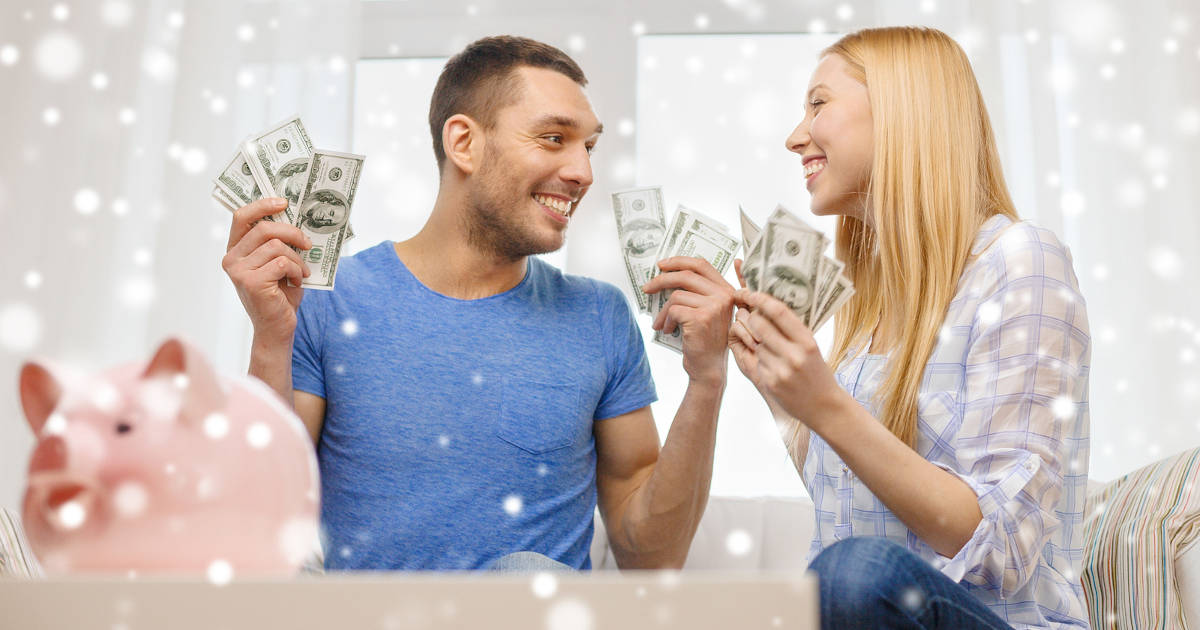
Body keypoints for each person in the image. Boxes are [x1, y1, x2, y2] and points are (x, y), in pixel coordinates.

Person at [221, 36, 735, 571]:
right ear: (464, 143)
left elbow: (652, 555)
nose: (583, 172)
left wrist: (708, 381)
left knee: (525, 575)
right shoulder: (330, 300)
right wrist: (271, 338)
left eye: (589, 147)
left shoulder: (599, 318)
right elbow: (262, 521)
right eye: (553, 137)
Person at [727, 27, 1091, 629]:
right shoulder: (874, 307)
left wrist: (825, 406)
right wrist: (780, 389)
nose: (795, 137)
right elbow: (855, 507)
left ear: (901, 111)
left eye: (818, 104)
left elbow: (999, 550)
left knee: (854, 573)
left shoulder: (1020, 261)